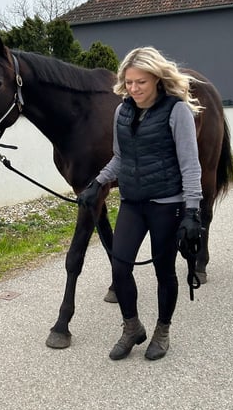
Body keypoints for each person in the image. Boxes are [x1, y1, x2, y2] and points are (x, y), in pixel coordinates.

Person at [78, 46, 203, 361]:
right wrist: (97, 183)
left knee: (164, 272)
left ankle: (162, 331)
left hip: (167, 204)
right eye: (129, 82)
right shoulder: (123, 111)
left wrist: (192, 212)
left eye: (140, 83)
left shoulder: (177, 112)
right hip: (133, 202)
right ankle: (131, 326)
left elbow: (190, 166)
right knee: (119, 267)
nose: (133, 89)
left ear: (158, 80)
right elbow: (120, 159)